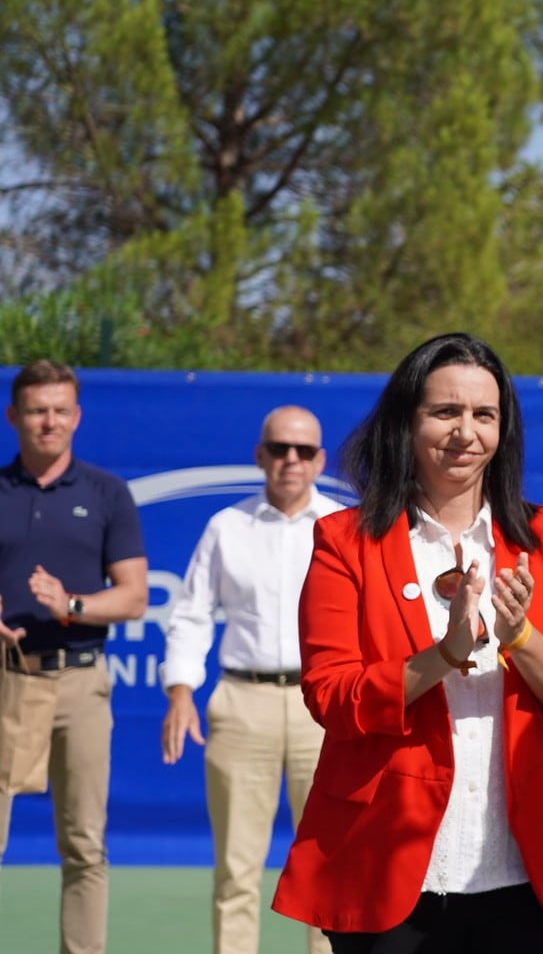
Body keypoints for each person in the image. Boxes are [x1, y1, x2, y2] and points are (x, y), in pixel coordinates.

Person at [270, 334, 543, 952]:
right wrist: (445, 653)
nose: (466, 432)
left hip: (532, 870)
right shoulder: (345, 541)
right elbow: (332, 696)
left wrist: (521, 637)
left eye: (484, 415)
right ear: (406, 421)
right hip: (390, 867)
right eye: (445, 412)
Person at [159, 405, 343, 954]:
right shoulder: (226, 527)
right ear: (259, 454)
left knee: (330, 867)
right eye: (280, 449)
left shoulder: (344, 527)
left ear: (319, 461)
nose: (291, 460)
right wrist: (180, 691)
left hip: (324, 708)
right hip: (243, 703)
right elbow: (191, 614)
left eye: (303, 451)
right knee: (237, 870)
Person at [0, 358, 149, 954]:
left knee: (85, 844)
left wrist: (72, 605)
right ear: (14, 416)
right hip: (5, 684)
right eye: (37, 410)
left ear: (77, 416)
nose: (49, 422)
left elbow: (135, 596)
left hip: (80, 683)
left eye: (61, 410)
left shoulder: (107, 492)